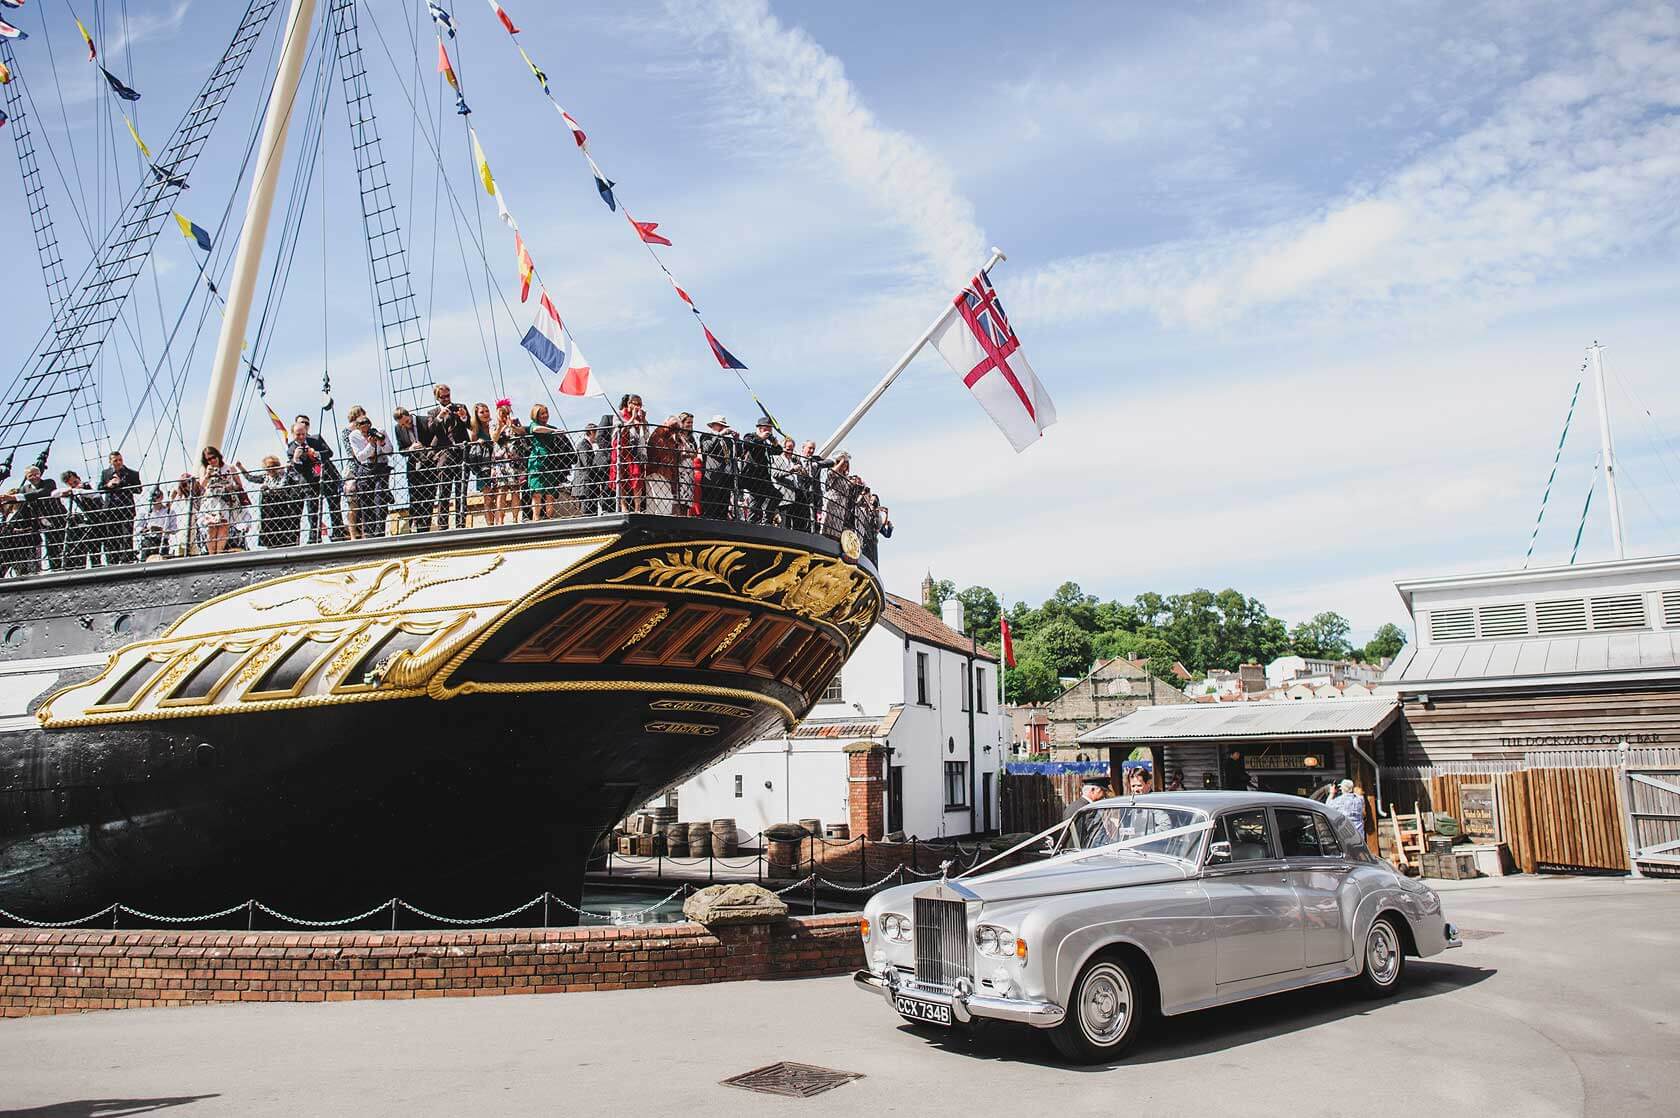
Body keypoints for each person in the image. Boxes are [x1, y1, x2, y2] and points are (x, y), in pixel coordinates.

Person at [286, 415, 343, 543]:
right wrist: (296, 458)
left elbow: (329, 453)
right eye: (298, 435)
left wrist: (316, 453)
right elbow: (298, 470)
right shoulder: (291, 449)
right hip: (310, 482)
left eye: (303, 434)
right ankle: (314, 538)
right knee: (313, 510)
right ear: (293, 434)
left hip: (326, 476)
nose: (301, 437)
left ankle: (338, 533)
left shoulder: (315, 439)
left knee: (334, 505)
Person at [425, 385, 471, 530]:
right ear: (437, 398)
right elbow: (431, 430)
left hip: (461, 451)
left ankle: (460, 523)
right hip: (445, 453)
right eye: (443, 397)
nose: (446, 399)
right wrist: (440, 417)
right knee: (444, 489)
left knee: (461, 490)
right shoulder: (433, 412)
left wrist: (463, 416)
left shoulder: (460, 406)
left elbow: (469, 424)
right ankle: (442, 525)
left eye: (448, 396)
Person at [348, 409, 393, 538]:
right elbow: (360, 457)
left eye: (367, 428)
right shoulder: (354, 436)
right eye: (362, 430)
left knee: (380, 497)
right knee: (366, 500)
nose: (365, 432)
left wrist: (382, 443)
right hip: (365, 469)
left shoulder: (380, 431)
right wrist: (371, 445)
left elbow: (389, 451)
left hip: (381, 467)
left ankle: (379, 531)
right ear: (358, 428)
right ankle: (368, 533)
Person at [525, 403, 572, 520]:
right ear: (536, 415)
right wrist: (552, 431)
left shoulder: (551, 427)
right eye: (542, 413)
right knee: (537, 493)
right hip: (537, 461)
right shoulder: (534, 425)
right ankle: (536, 519)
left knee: (550, 493)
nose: (545, 415)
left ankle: (549, 518)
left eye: (546, 413)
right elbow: (536, 429)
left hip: (550, 461)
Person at [196, 446, 244, 556]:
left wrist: (229, 486)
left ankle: (219, 552)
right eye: (208, 459)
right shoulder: (204, 469)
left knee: (223, 526)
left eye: (213, 457)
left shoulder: (230, 468)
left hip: (225, 500)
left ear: (218, 456)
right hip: (211, 502)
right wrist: (208, 475)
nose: (212, 460)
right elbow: (201, 486)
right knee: (211, 527)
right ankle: (212, 554)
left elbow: (239, 485)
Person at [96, 451, 142, 564]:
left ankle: (127, 559)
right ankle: (113, 560)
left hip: (126, 508)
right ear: (110, 462)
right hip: (111, 509)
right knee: (112, 536)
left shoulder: (132, 473)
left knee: (127, 535)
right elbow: (100, 488)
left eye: (120, 460)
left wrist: (122, 483)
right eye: (115, 460)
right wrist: (108, 485)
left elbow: (138, 489)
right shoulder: (106, 473)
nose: (118, 462)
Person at [393, 406, 432, 533]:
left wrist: (425, 448)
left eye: (407, 422)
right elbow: (401, 450)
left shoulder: (424, 421)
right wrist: (410, 449)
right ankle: (413, 525)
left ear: (409, 415)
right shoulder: (398, 428)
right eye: (403, 424)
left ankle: (424, 528)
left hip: (429, 464)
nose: (406, 425)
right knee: (414, 497)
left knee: (428, 497)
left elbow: (435, 440)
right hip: (413, 466)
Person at [490, 398, 527, 524]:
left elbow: (522, 432)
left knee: (516, 489)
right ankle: (500, 520)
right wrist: (501, 427)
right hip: (501, 461)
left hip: (514, 460)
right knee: (501, 490)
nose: (505, 415)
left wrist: (513, 427)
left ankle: (515, 519)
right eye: (502, 413)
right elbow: (494, 438)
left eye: (507, 413)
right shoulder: (494, 424)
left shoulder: (515, 421)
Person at [738, 417, 779, 524]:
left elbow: (778, 451)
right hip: (752, 475)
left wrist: (775, 443)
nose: (769, 432)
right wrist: (761, 438)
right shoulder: (750, 436)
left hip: (763, 477)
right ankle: (753, 522)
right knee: (756, 501)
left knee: (772, 496)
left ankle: (763, 520)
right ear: (761, 428)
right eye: (768, 429)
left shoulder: (765, 442)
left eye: (770, 429)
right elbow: (748, 443)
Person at [57, 470, 101, 569]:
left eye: (75, 482)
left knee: (95, 550)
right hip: (79, 525)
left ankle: (97, 568)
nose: (74, 486)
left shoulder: (88, 486)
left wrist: (79, 490)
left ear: (79, 478)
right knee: (80, 552)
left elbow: (96, 494)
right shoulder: (68, 494)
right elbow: (54, 494)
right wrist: (72, 491)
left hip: (95, 521)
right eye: (71, 485)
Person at [699, 415, 738, 520]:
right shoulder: (706, 436)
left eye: (723, 425)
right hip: (712, 476)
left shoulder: (728, 441)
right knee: (710, 505)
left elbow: (738, 454)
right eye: (719, 425)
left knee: (723, 506)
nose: (722, 427)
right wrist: (720, 435)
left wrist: (736, 440)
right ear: (713, 425)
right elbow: (707, 449)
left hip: (726, 477)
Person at [256, 455, 298, 550]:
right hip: (267, 512)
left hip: (281, 508)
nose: (270, 470)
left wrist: (270, 490)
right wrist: (241, 468)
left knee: (283, 533)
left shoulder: (283, 476)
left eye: (272, 467)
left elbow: (284, 488)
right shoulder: (265, 477)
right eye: (267, 468)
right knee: (269, 533)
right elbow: (251, 478)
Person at [644, 415, 682, 516]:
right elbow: (659, 452)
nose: (674, 431)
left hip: (665, 473)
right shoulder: (658, 433)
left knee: (660, 500)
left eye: (676, 429)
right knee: (661, 500)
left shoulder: (669, 437)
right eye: (673, 427)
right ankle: (659, 521)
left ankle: (655, 521)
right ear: (666, 423)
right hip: (657, 471)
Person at [571, 421, 604, 515]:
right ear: (591, 432)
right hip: (585, 484)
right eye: (596, 433)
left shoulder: (587, 445)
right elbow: (587, 463)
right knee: (587, 511)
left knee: (591, 510)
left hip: (588, 484)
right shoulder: (583, 445)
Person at [137, 487, 178, 559]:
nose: (154, 502)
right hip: (148, 541)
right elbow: (138, 527)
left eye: (155, 499)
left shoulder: (169, 512)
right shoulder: (144, 511)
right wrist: (146, 529)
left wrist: (162, 530)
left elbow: (174, 529)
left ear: (161, 497)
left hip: (162, 541)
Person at [821, 451, 853, 538]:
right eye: (843, 463)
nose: (845, 465)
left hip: (841, 503)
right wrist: (841, 461)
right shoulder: (834, 472)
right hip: (833, 500)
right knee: (829, 520)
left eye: (846, 463)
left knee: (837, 524)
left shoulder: (845, 477)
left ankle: (834, 537)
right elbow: (831, 473)